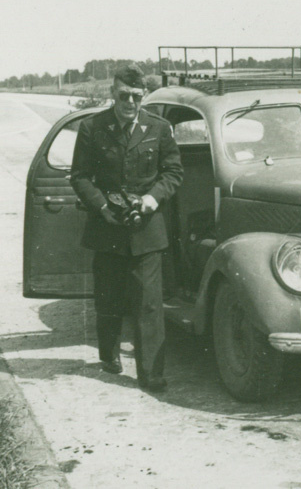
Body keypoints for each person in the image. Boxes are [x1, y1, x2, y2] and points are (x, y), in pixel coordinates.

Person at [70, 64, 183, 391]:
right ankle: (109, 355)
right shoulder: (92, 128)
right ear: (112, 93)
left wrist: (152, 198)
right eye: (123, 96)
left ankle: (151, 374)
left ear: (143, 95)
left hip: (146, 229)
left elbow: (173, 172)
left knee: (149, 304)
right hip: (107, 227)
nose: (130, 103)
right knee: (108, 300)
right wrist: (102, 206)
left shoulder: (159, 128)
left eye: (136, 96)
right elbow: (79, 176)